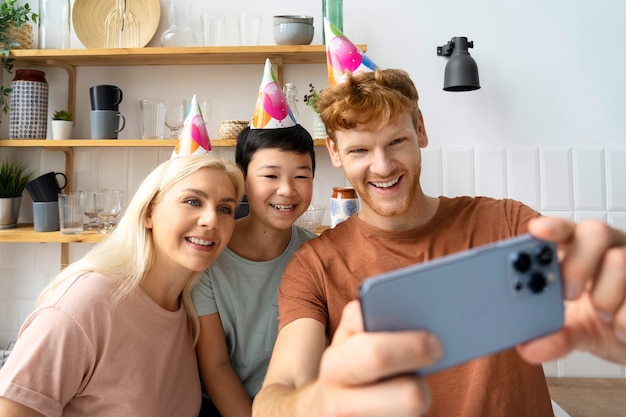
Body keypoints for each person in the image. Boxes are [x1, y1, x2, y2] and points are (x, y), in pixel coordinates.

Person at [252, 68, 626, 417]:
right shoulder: (315, 266)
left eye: (396, 141)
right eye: (359, 150)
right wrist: (318, 400)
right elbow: (276, 395)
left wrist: (611, 275)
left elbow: (589, 279)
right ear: (335, 153)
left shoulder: (507, 224)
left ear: (421, 131)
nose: (382, 166)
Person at [0, 154, 245, 417]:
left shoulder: (186, 309)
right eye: (192, 201)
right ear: (150, 212)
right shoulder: (86, 303)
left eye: (225, 209)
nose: (211, 220)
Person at [192, 58, 317, 417]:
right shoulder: (209, 258)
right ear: (243, 179)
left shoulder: (316, 253)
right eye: (270, 176)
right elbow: (215, 366)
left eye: (302, 176)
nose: (287, 191)